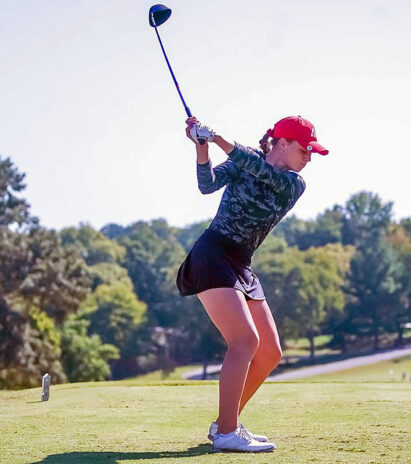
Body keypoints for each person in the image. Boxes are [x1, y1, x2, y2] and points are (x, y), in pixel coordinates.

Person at [176, 115, 328, 452]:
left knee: (270, 353)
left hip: (241, 262)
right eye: (305, 149)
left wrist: (217, 138)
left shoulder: (293, 183)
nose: (309, 157)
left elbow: (257, 168)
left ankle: (223, 425)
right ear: (283, 143)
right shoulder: (247, 161)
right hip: (213, 253)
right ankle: (228, 431)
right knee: (245, 340)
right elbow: (207, 184)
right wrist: (203, 148)